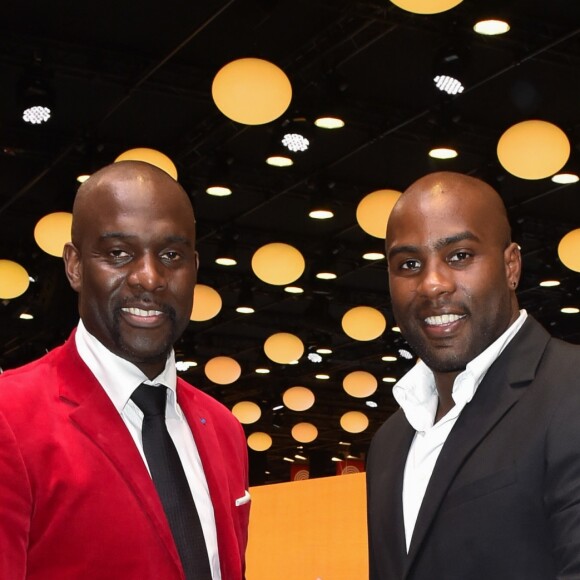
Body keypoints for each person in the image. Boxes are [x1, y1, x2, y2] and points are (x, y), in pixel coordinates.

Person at [0, 161, 250, 579]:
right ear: (75, 266)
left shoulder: (223, 428)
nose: (150, 278)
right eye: (119, 253)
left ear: (195, 268)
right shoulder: (10, 417)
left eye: (171, 255)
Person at [366, 171, 580, 579]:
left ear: (511, 265)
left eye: (459, 256)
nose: (432, 284)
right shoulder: (389, 442)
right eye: (409, 264)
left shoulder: (570, 389)